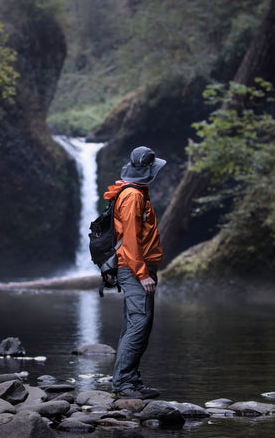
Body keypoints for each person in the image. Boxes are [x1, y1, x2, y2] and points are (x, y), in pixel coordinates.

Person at [103, 145, 166, 399]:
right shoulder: (132, 196)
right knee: (139, 324)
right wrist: (142, 274)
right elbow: (129, 238)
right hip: (134, 269)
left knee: (137, 324)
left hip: (136, 267)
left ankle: (131, 381)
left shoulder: (134, 192)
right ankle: (124, 385)